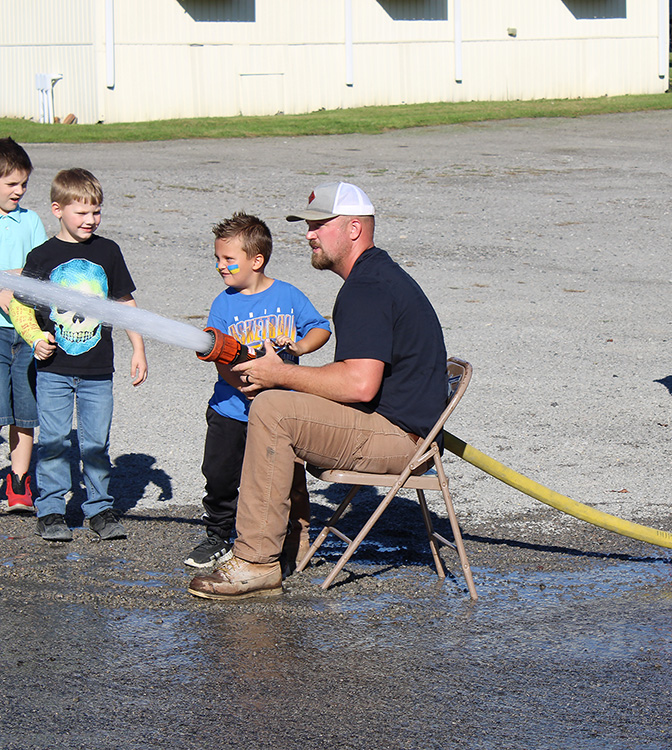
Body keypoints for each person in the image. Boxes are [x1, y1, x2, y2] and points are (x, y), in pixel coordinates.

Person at [188, 181, 447, 601]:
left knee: (275, 409)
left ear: (353, 229)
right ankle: (289, 539)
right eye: (308, 225)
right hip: (398, 426)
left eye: (319, 225)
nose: (309, 234)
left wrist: (280, 374)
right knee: (282, 404)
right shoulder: (374, 277)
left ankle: (256, 562)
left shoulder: (367, 288)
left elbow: (360, 385)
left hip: (402, 440)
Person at [184, 212, 331, 569]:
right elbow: (219, 357)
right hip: (230, 410)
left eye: (228, 260)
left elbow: (320, 328)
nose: (220, 266)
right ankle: (218, 536)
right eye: (218, 259)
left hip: (281, 412)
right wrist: (245, 386)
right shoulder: (224, 305)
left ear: (256, 260)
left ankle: (286, 540)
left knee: (280, 481)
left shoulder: (288, 296)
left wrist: (296, 348)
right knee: (219, 475)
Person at [9, 168, 148, 542]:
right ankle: (51, 510)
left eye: (96, 212)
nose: (90, 220)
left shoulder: (108, 252)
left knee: (95, 443)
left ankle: (100, 508)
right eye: (81, 212)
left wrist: (138, 348)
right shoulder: (41, 256)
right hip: (53, 369)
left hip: (98, 370)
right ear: (57, 209)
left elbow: (124, 303)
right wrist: (35, 337)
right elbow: (20, 306)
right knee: (54, 440)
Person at [0, 137, 48, 512]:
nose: (20, 191)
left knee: (25, 410)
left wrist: (14, 281)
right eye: (11, 184)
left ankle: (18, 481)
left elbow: (42, 271)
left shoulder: (30, 220)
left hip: (25, 331)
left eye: (24, 184)